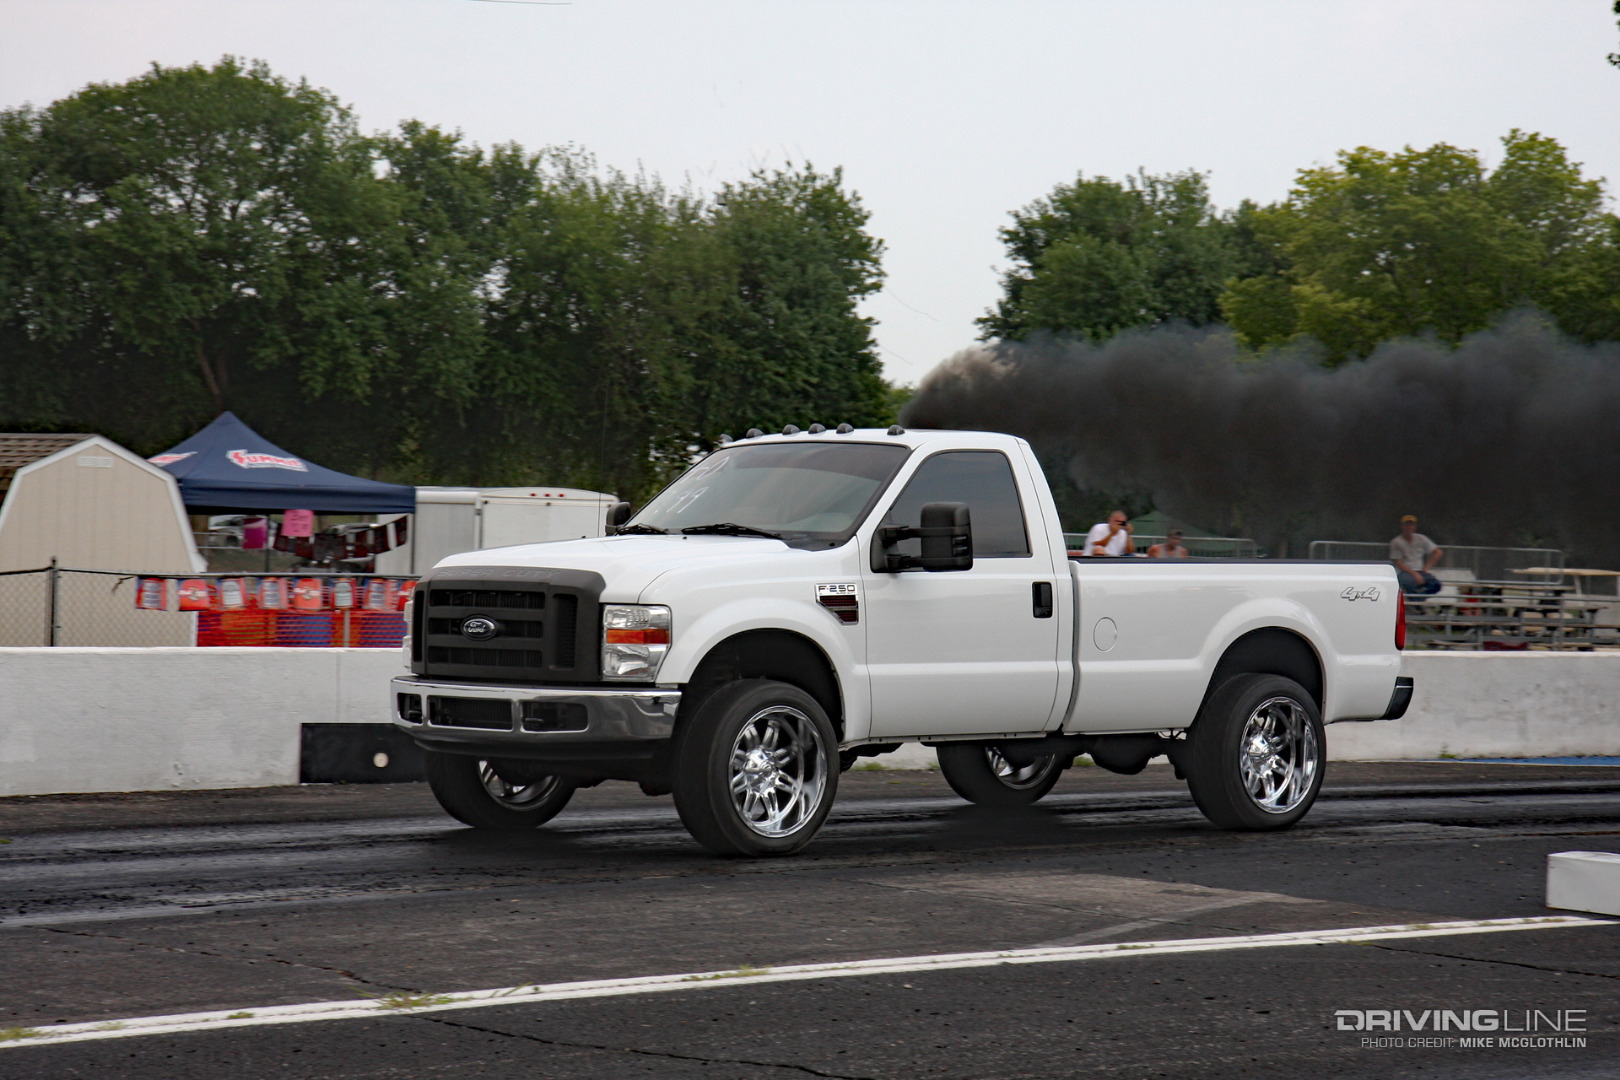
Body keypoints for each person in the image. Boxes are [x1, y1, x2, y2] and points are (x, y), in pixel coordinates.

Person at [1390, 515, 1443, 594]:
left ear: (1415, 527)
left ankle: (1418, 600)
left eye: (1411, 525)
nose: (1409, 527)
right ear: (1402, 526)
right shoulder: (1396, 542)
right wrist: (1415, 575)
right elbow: (1398, 563)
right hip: (1404, 573)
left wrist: (1426, 568)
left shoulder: (1421, 538)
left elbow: (1438, 552)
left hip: (1420, 571)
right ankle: (1416, 602)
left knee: (1436, 585)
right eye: (1407, 525)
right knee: (1408, 583)